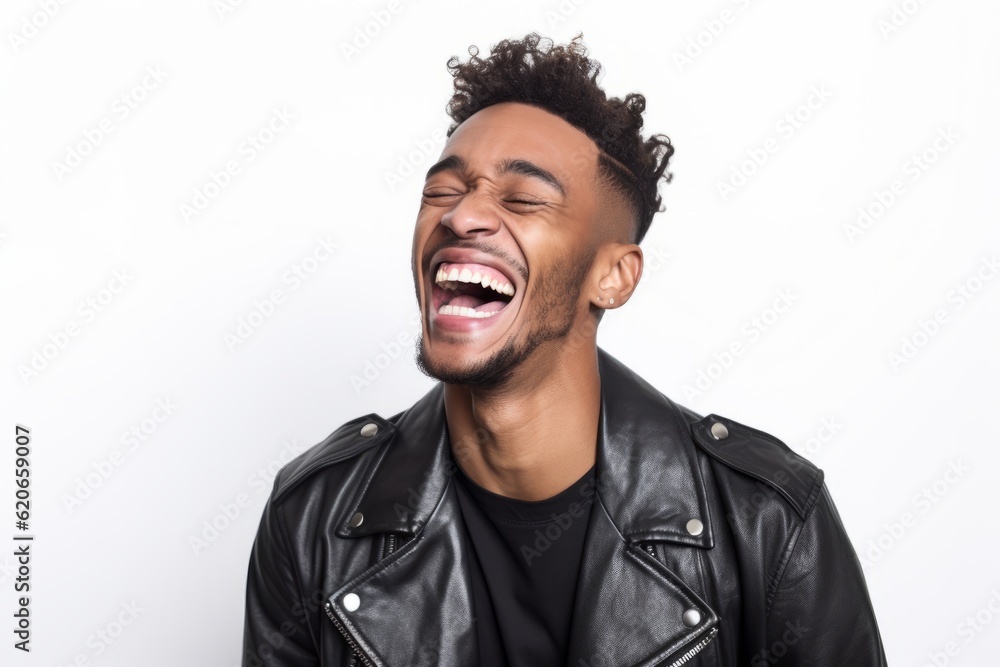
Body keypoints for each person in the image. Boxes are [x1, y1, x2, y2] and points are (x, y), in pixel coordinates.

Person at [242, 32, 888, 666]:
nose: (461, 216)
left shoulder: (765, 518)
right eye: (443, 190)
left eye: (522, 198)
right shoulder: (313, 518)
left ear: (614, 275)